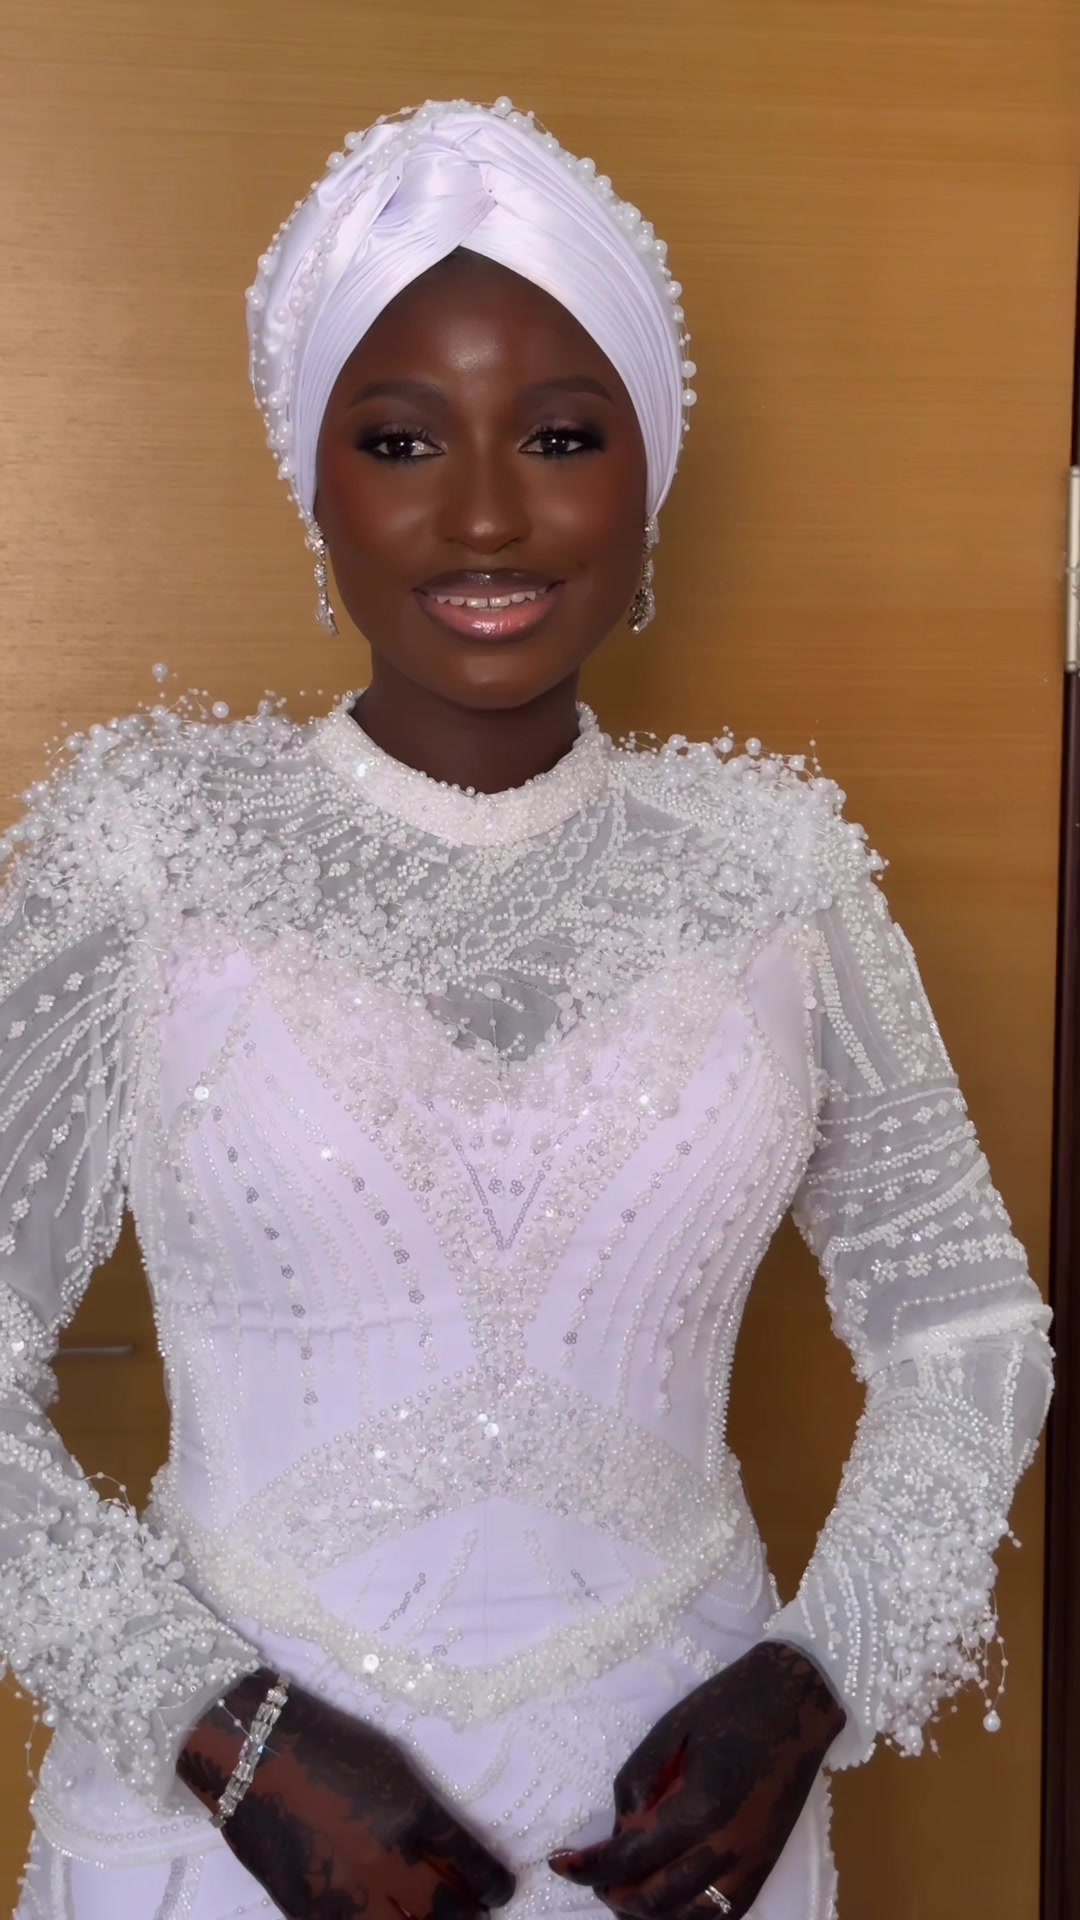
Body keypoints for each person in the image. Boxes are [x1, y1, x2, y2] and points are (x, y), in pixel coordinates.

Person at [2, 96, 1052, 1920]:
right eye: (400, 440)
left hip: (684, 1842)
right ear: (312, 477)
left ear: (649, 477)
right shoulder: (145, 852)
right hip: (223, 1847)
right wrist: (224, 1735)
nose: (486, 513)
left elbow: (967, 1328)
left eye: (562, 437)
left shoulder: (777, 869)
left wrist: (817, 1683)